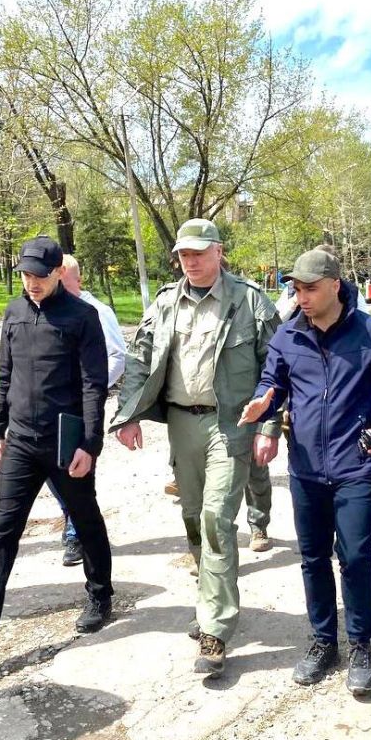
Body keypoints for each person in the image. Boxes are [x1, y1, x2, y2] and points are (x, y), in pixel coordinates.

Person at [110, 218, 281, 678]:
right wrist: (127, 414)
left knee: (215, 518)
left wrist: (269, 427)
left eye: (199, 253)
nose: (191, 261)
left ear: (219, 252)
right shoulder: (166, 302)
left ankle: (215, 630)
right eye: (184, 254)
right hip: (182, 424)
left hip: (231, 425)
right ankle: (210, 600)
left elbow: (276, 368)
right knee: (192, 517)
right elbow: (140, 358)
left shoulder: (250, 301)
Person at [0, 236, 114, 667]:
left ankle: (100, 594)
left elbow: (94, 385)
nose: (32, 283)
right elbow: (6, 374)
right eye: (26, 275)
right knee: (2, 531)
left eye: (40, 276)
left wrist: (90, 444)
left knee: (84, 518)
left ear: (58, 273)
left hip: (64, 441)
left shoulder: (82, 316)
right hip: (20, 441)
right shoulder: (14, 311)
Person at [240, 248, 371, 694]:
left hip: (356, 465)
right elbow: (272, 383)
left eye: (310, 289)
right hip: (306, 469)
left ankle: (360, 645)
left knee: (355, 557)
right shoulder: (287, 335)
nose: (302, 297)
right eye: (296, 289)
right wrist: (263, 403)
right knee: (313, 557)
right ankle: (323, 641)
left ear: (335, 285)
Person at [54, 254, 125, 566]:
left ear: (78, 280)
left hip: (81, 406)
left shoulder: (96, 311)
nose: (55, 285)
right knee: (53, 471)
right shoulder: (43, 310)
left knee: (77, 468)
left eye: (62, 279)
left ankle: (76, 533)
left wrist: (92, 387)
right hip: (50, 406)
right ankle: (73, 519)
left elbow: (117, 356)